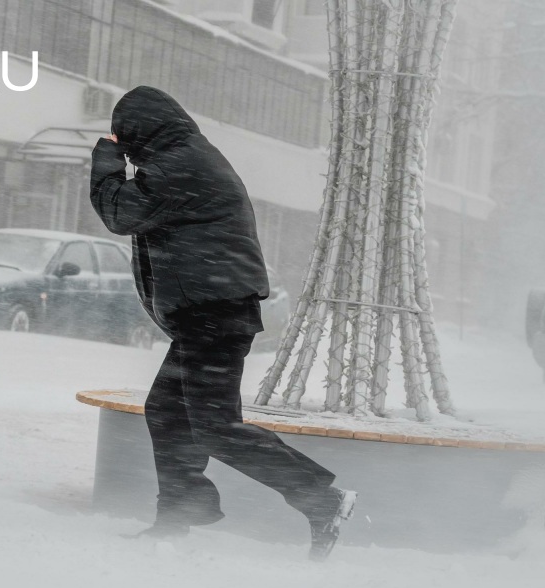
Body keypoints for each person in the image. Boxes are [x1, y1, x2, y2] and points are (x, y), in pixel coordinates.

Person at [89, 85, 356, 561]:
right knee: (168, 413)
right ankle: (178, 510)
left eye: (121, 133)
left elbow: (118, 212)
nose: (119, 142)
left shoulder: (181, 165)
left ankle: (322, 497)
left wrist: (106, 160)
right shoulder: (184, 157)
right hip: (210, 313)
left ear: (138, 131)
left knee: (216, 427)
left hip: (214, 314)